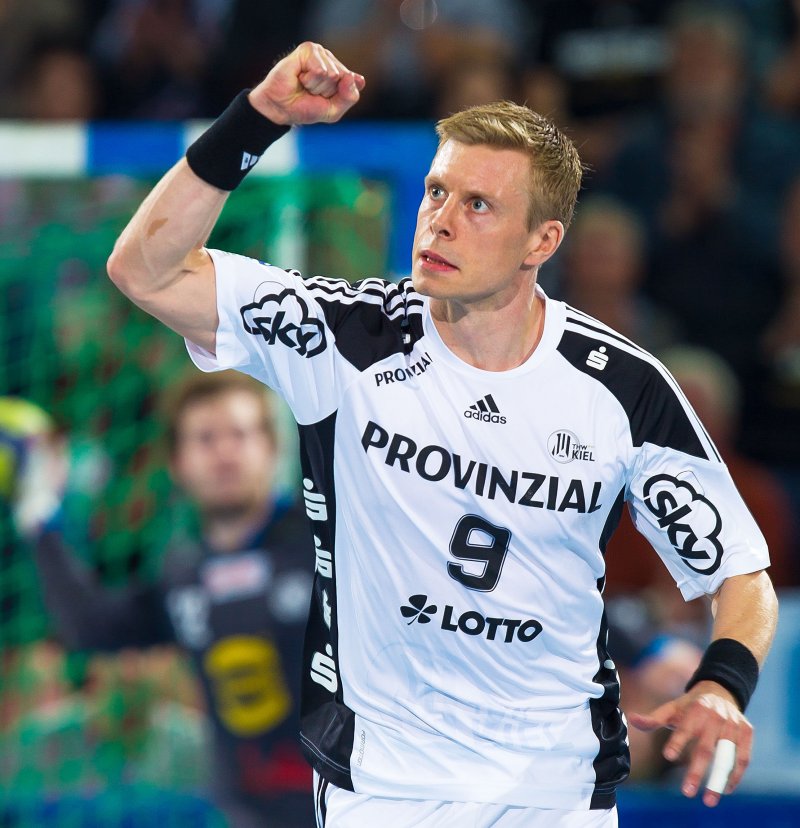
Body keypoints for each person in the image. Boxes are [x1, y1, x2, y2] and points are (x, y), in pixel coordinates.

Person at [106, 41, 779, 827]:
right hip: (382, 789)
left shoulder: (620, 388)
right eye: (436, 192)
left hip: (554, 791)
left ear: (542, 242)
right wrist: (257, 117)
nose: (441, 222)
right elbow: (146, 271)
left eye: (479, 205)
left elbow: (742, 574)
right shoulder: (342, 336)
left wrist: (722, 685)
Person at [17, 374, 316, 828]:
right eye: (205, 438)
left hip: (357, 807)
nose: (224, 452)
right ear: (177, 463)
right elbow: (91, 627)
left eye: (240, 434)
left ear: (272, 449)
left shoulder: (324, 546)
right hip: (252, 815)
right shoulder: (182, 575)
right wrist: (39, 515)